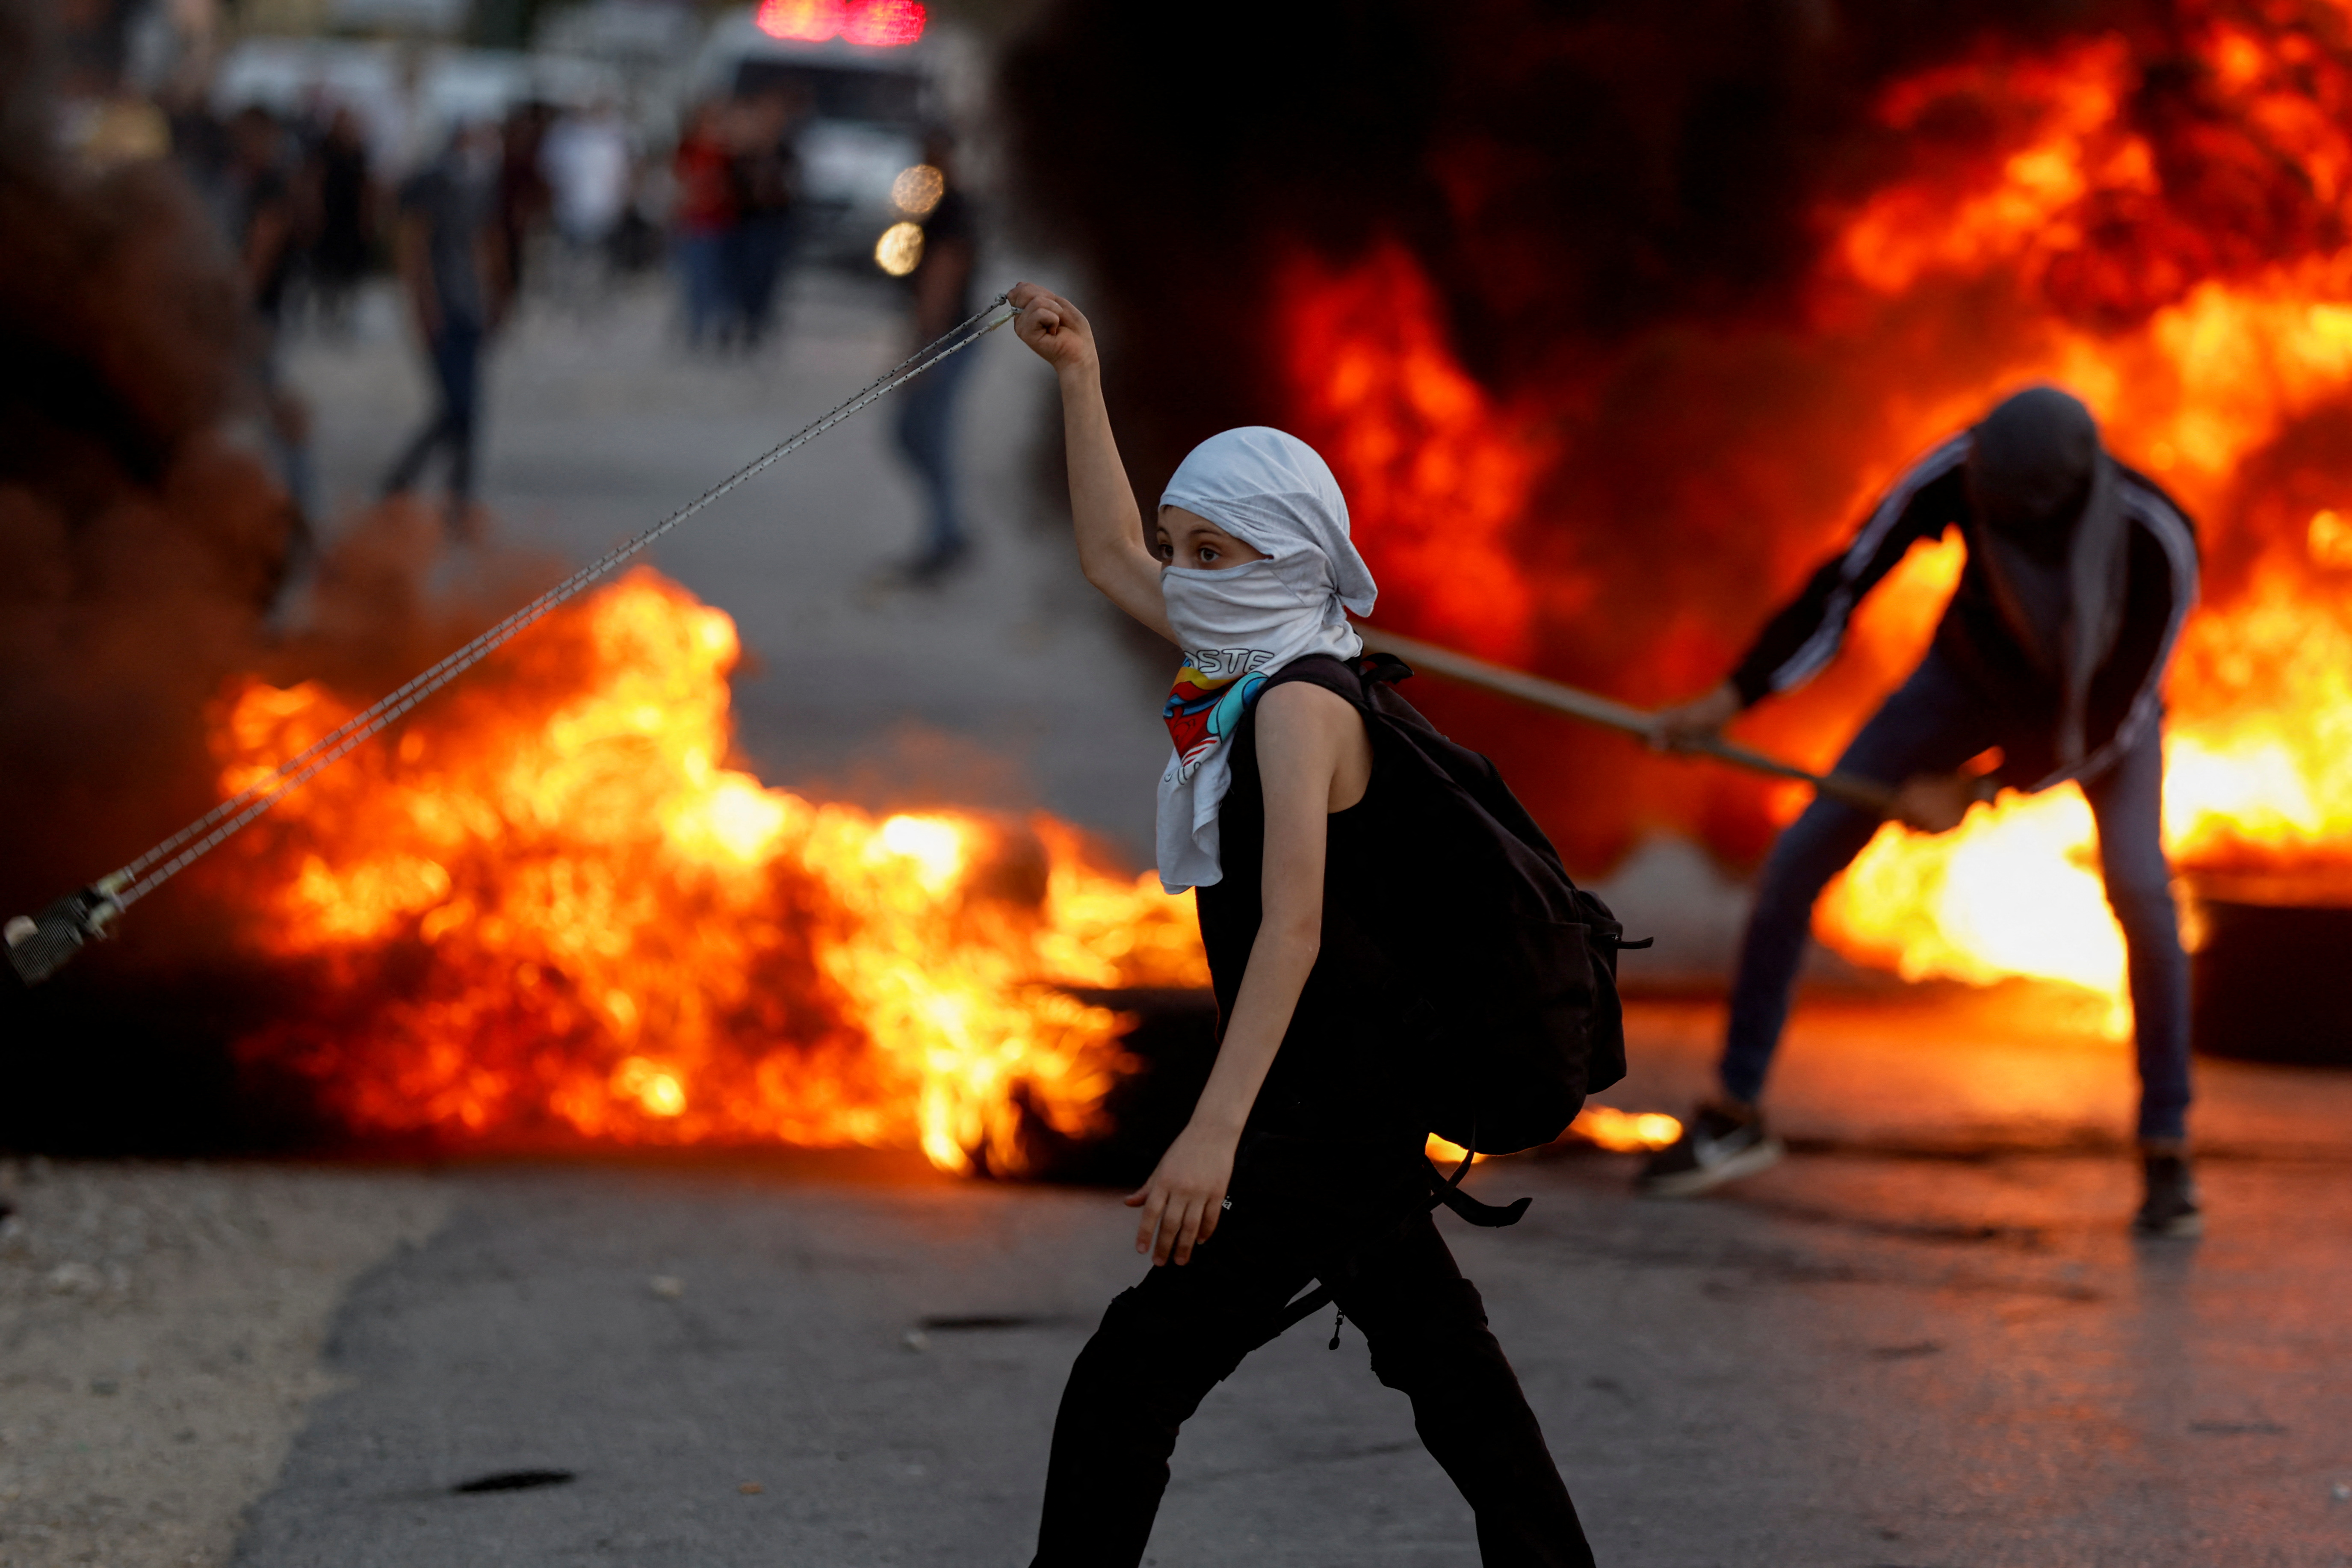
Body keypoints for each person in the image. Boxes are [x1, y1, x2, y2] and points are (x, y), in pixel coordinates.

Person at [1005, 280, 1598, 1568]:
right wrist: (1078, 372)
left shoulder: (1293, 703)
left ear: (1287, 558)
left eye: (1215, 553)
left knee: (1129, 1377)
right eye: (1182, 547)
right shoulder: (1249, 657)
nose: (1185, 576)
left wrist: (1211, 1133)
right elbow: (1111, 558)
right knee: (1450, 1376)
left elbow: (1292, 929)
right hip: (1348, 1099)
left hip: (1322, 1115)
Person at [1643, 386, 2202, 1235]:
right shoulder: (1956, 468)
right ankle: (1734, 1112)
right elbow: (1847, 583)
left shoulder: (2155, 538)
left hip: (2095, 716)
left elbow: (2114, 718)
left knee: (2141, 892)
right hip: (1963, 683)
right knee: (1798, 859)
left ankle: (2165, 1147)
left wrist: (1978, 788)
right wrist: (1733, 697)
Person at [381, 121, 508, 530]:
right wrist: (424, 304)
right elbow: (414, 246)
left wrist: (490, 298)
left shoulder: (480, 187)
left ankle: (454, 494)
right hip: (445, 308)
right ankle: (408, 481)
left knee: (468, 408)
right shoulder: (434, 185)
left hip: (468, 308)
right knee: (456, 405)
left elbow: (482, 246)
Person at [891, 130, 978, 584]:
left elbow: (941, 280)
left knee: (923, 433)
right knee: (916, 434)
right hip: (945, 338)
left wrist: (921, 350)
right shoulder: (941, 206)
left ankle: (945, 536)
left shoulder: (951, 210)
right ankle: (947, 531)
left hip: (946, 339)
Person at [670, 99, 736, 348]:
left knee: (722, 281)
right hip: (697, 222)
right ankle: (697, 328)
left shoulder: (728, 151)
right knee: (698, 278)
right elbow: (680, 183)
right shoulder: (688, 149)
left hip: (725, 223)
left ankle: (722, 326)